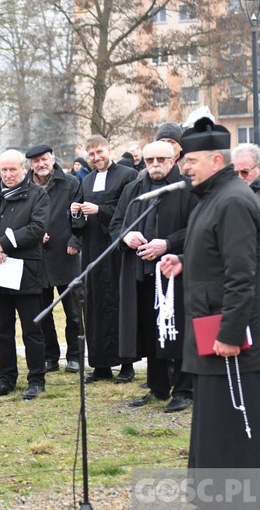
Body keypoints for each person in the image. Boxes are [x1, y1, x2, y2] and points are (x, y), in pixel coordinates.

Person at [160, 117, 260, 468]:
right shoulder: (211, 196)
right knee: (213, 425)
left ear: (217, 161)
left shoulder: (233, 200)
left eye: (191, 160)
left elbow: (242, 274)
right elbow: (217, 251)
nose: (184, 166)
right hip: (209, 331)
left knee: (232, 429)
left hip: (229, 339)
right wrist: (185, 261)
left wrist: (230, 333)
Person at [110, 140, 197, 413]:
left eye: (161, 159)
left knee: (177, 330)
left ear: (173, 160)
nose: (155, 165)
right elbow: (116, 224)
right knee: (150, 330)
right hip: (142, 272)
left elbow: (196, 227)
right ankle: (157, 386)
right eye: (150, 161)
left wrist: (167, 243)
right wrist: (127, 236)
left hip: (176, 272)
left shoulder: (187, 188)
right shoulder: (134, 188)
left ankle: (184, 390)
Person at [0, 149, 50, 400]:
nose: (7, 174)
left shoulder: (38, 194)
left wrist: (4, 244)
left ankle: (36, 380)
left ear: (23, 169)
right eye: (3, 169)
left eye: (12, 169)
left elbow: (37, 228)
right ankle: (6, 379)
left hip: (26, 272)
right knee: (3, 330)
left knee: (31, 330)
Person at [70, 135, 138, 383]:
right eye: (91, 154)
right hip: (92, 251)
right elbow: (78, 221)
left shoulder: (127, 175)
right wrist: (75, 213)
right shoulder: (86, 180)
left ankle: (127, 364)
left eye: (100, 152)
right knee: (94, 306)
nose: (96, 158)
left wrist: (101, 210)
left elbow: (130, 211)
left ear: (110, 150)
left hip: (117, 250)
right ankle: (100, 365)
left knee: (119, 305)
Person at [25, 144, 82, 374]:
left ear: (52, 159)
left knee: (74, 311)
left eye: (44, 159)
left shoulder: (70, 183)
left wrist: (75, 240)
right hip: (37, 257)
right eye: (36, 161)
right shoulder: (25, 186)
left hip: (65, 255)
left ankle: (75, 356)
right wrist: (34, 236)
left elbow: (79, 216)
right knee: (43, 312)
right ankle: (50, 356)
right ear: (30, 165)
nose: (41, 164)